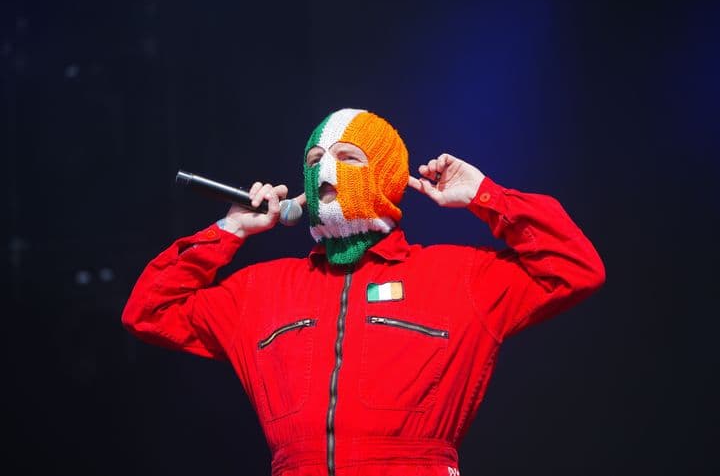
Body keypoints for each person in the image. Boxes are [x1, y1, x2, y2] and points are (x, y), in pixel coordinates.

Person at [122, 108, 605, 476]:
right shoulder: (261, 290)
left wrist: (485, 196)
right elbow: (149, 310)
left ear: (387, 176)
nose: (325, 172)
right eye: (315, 161)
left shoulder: (460, 277)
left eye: (348, 157)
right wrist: (231, 230)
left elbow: (574, 267)